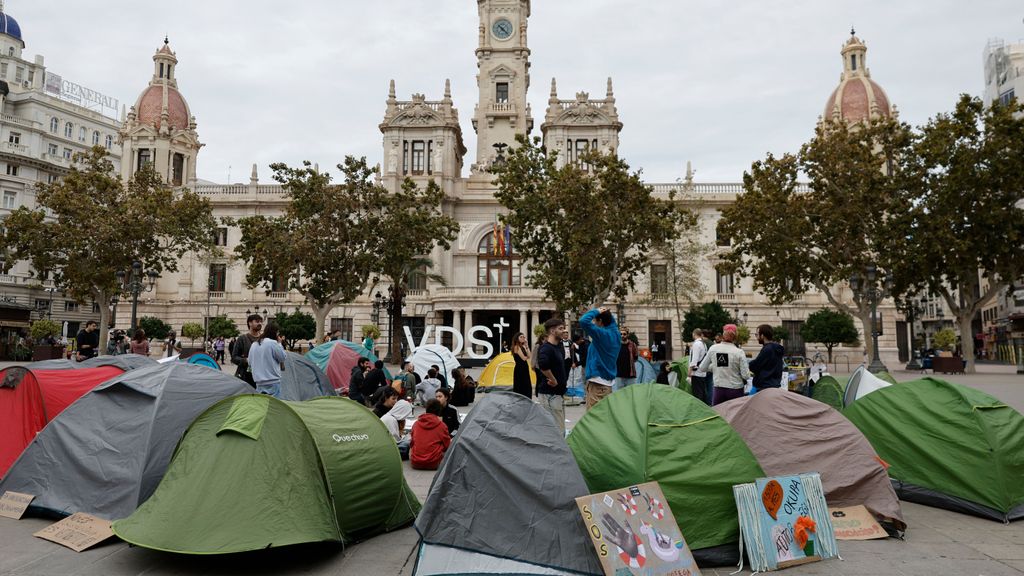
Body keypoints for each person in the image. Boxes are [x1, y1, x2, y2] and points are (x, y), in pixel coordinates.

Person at [697, 324, 750, 406]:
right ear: (735, 336)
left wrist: (715, 366)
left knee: (719, 414)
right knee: (734, 415)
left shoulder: (714, 349)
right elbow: (746, 376)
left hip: (719, 388)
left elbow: (702, 367)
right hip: (736, 389)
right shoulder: (739, 352)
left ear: (723, 335)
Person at [579, 307, 620, 409]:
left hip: (597, 383)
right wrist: (605, 312)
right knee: (604, 418)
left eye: (595, 321)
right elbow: (611, 322)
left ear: (600, 321)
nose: (594, 323)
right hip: (607, 384)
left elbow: (583, 321)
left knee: (593, 419)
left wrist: (597, 311)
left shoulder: (602, 334)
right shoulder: (615, 333)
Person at [536, 317, 570, 434]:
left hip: (557, 394)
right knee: (556, 431)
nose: (563, 331)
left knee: (559, 430)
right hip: (549, 395)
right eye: (560, 329)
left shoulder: (558, 347)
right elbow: (543, 365)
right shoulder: (546, 348)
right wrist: (553, 380)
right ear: (552, 331)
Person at [409, 399, 451, 470]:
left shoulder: (416, 424)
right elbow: (447, 446)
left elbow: (411, 443)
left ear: (426, 409)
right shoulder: (442, 426)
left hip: (416, 463)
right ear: (439, 411)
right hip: (434, 463)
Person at [248, 322, 287, 398]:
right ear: (275, 332)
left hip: (259, 382)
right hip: (273, 381)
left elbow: (249, 362)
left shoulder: (254, 344)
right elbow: (282, 357)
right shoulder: (273, 343)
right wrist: (279, 343)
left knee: (262, 406)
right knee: (273, 406)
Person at [748, 324, 785, 392]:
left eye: (757, 335)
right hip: (775, 385)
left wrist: (749, 364)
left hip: (764, 387)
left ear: (762, 336)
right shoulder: (776, 348)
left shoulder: (767, 349)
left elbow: (755, 366)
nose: (756, 337)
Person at [230, 314, 263, 388]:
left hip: (261, 378)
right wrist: (246, 360)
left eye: (261, 322)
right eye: (257, 321)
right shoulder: (242, 339)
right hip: (245, 377)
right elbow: (234, 358)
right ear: (250, 323)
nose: (260, 324)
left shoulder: (264, 339)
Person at [688, 329, 711, 405]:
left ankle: (699, 409)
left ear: (694, 334)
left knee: (697, 393)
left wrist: (689, 371)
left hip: (696, 372)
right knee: (702, 392)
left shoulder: (696, 344)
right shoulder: (703, 343)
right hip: (702, 371)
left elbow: (694, 359)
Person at [510, 331, 532, 398]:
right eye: (521, 337)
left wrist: (527, 346)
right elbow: (524, 358)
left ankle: (527, 398)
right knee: (521, 384)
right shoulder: (516, 347)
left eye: (524, 337)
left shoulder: (522, 346)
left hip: (525, 367)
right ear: (517, 338)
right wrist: (527, 356)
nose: (523, 338)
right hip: (520, 368)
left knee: (527, 383)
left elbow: (529, 355)